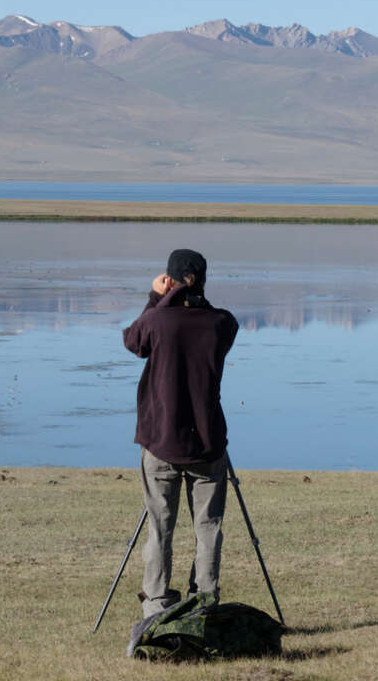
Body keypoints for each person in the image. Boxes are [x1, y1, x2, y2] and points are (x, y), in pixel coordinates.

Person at [123, 249, 239, 618]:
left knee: (159, 529)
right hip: (208, 444)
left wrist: (156, 297)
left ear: (170, 280)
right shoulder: (222, 324)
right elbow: (215, 320)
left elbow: (133, 341)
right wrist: (181, 295)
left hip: (161, 443)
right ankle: (203, 602)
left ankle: (156, 604)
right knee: (208, 530)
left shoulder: (158, 321)